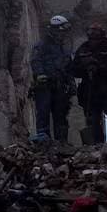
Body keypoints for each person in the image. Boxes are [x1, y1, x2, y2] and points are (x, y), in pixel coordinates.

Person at [29, 14, 75, 143]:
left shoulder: (63, 49)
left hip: (60, 85)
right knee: (43, 109)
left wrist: (71, 84)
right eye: (62, 31)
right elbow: (35, 60)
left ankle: (62, 140)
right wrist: (39, 74)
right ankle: (43, 136)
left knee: (60, 112)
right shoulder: (42, 45)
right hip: (45, 84)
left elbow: (68, 68)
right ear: (55, 29)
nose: (63, 35)